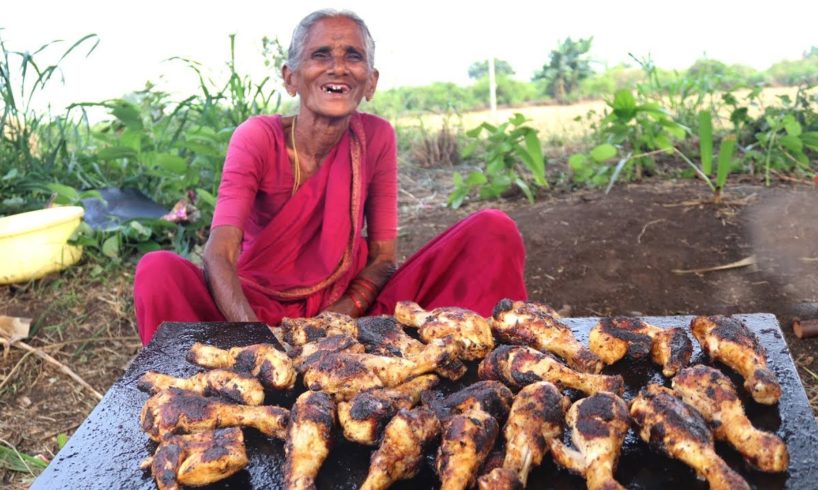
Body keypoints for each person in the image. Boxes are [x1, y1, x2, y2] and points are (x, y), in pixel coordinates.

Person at [133, 9, 527, 345]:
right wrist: (260, 342)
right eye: (321, 54)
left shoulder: (376, 137)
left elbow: (383, 260)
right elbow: (219, 254)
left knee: (491, 230)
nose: (338, 67)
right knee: (158, 271)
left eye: (352, 56)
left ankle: (482, 374)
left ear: (370, 81)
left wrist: (333, 324)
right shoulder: (257, 137)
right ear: (291, 77)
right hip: (252, 310)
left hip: (353, 310)